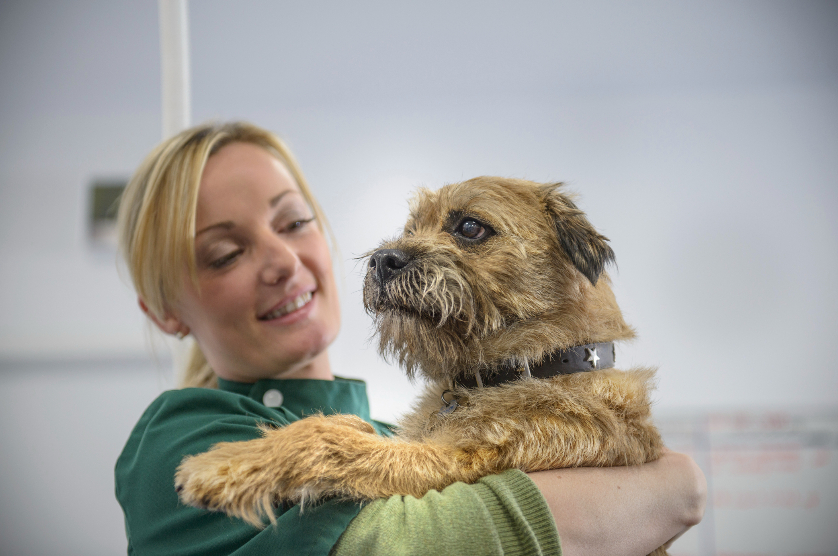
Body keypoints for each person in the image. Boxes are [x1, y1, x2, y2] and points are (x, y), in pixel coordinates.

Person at [115, 121, 706, 556]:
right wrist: (666, 490)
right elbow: (409, 544)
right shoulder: (179, 442)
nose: (283, 262)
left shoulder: (386, 432)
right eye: (225, 254)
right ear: (166, 314)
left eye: (294, 222)